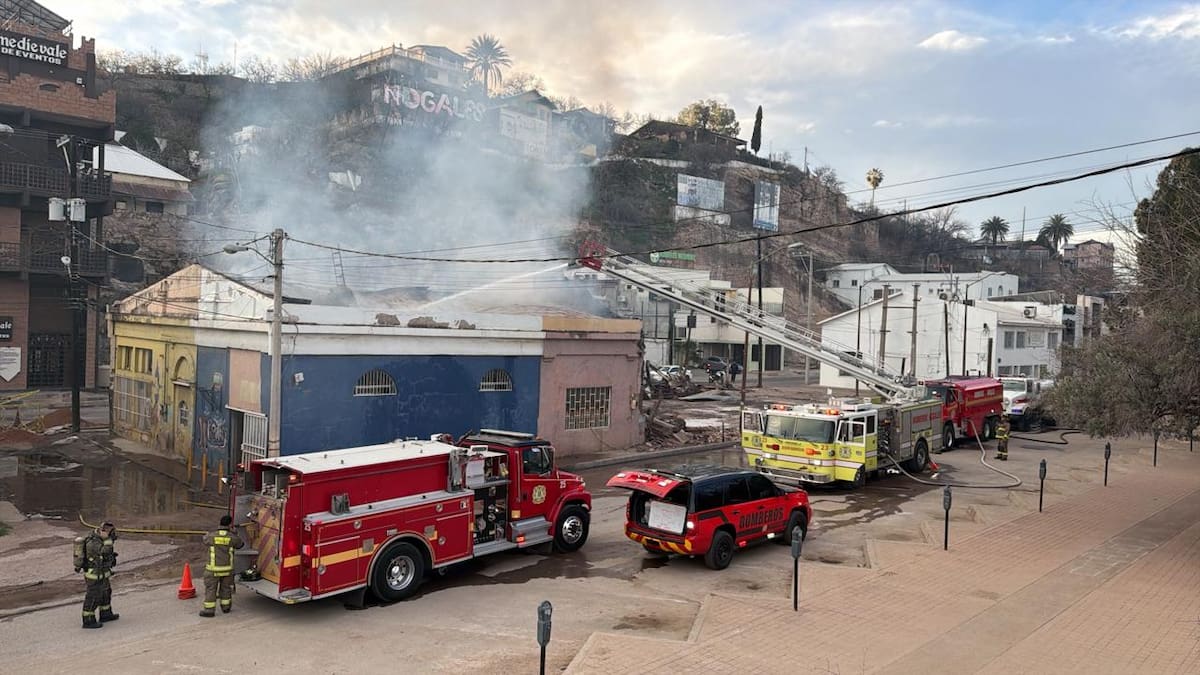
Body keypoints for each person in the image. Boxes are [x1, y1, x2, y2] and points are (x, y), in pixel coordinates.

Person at [200, 515, 244, 617]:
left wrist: (207, 534)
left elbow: (205, 540)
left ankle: (209, 611)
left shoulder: (211, 536)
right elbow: (241, 545)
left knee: (211, 589)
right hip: (227, 570)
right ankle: (226, 608)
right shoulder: (232, 537)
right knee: (226, 588)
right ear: (229, 525)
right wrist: (235, 534)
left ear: (220, 523)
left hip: (213, 569)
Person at [79, 521, 118, 629]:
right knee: (93, 596)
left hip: (103, 572)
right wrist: (107, 540)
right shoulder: (92, 542)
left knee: (106, 593)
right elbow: (104, 552)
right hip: (94, 574)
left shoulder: (102, 538)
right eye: (109, 532)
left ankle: (105, 614)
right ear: (102, 531)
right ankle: (88, 620)